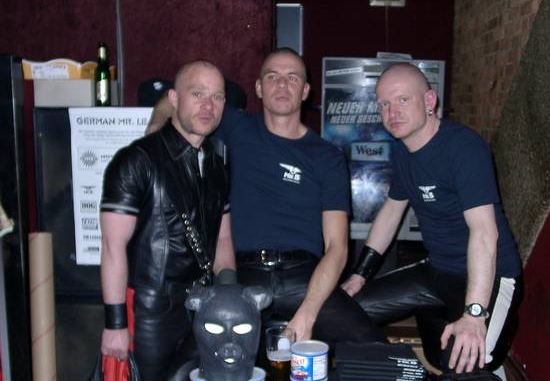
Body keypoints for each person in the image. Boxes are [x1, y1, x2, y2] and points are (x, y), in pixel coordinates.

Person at [148, 48, 385, 345]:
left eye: (292, 78)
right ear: (259, 88)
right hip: (244, 276)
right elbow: (171, 102)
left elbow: (337, 248)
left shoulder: (327, 157)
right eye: (273, 77)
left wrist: (307, 315)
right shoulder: (237, 127)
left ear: (305, 91)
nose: (282, 84)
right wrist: (154, 139)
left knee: (379, 353)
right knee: (200, 360)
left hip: (305, 279)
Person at [342, 63, 522, 374]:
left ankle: (492, 362)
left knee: (466, 363)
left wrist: (475, 315)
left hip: (492, 276)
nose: (392, 112)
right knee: (345, 312)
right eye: (384, 104)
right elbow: (391, 212)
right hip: (438, 271)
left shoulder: (463, 148)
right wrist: (359, 275)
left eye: (403, 99)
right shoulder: (403, 151)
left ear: (429, 101)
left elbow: (484, 233)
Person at [100, 60, 235, 381]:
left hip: (201, 305)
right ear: (174, 98)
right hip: (150, 310)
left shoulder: (217, 165)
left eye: (217, 97)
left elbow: (223, 238)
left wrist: (228, 295)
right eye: (197, 94)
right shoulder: (137, 160)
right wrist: (115, 323)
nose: (208, 106)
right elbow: (113, 247)